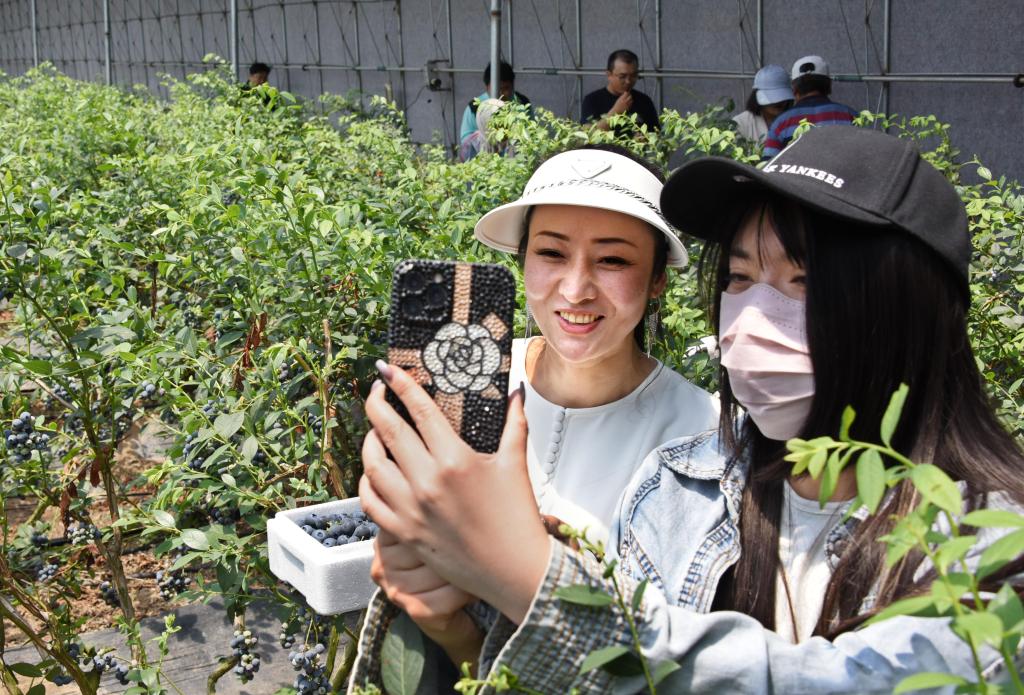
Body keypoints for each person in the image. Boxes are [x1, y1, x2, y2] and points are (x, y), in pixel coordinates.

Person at [350, 127, 1024, 692]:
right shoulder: (684, 488)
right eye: (738, 277)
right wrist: (456, 615)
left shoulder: (991, 541)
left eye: (804, 280)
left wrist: (531, 578)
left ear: (912, 309)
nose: (753, 319)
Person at [762, 55, 858, 159]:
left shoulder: (780, 124)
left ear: (794, 89)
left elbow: (767, 165)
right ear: (829, 85)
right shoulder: (849, 116)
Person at [581, 49, 659, 133]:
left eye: (633, 76)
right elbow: (587, 136)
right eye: (622, 76)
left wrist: (645, 139)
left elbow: (656, 134)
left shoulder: (644, 101)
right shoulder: (592, 100)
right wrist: (615, 111)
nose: (628, 81)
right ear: (609, 75)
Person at [459, 61, 531, 148]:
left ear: (512, 86)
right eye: (497, 88)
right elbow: (466, 143)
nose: (501, 93)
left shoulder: (522, 103)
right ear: (487, 87)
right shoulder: (474, 108)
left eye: (505, 88)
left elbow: (532, 134)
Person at [732, 64, 793, 144]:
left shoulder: (796, 120)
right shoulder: (741, 123)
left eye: (782, 97)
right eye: (772, 97)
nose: (778, 102)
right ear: (756, 97)